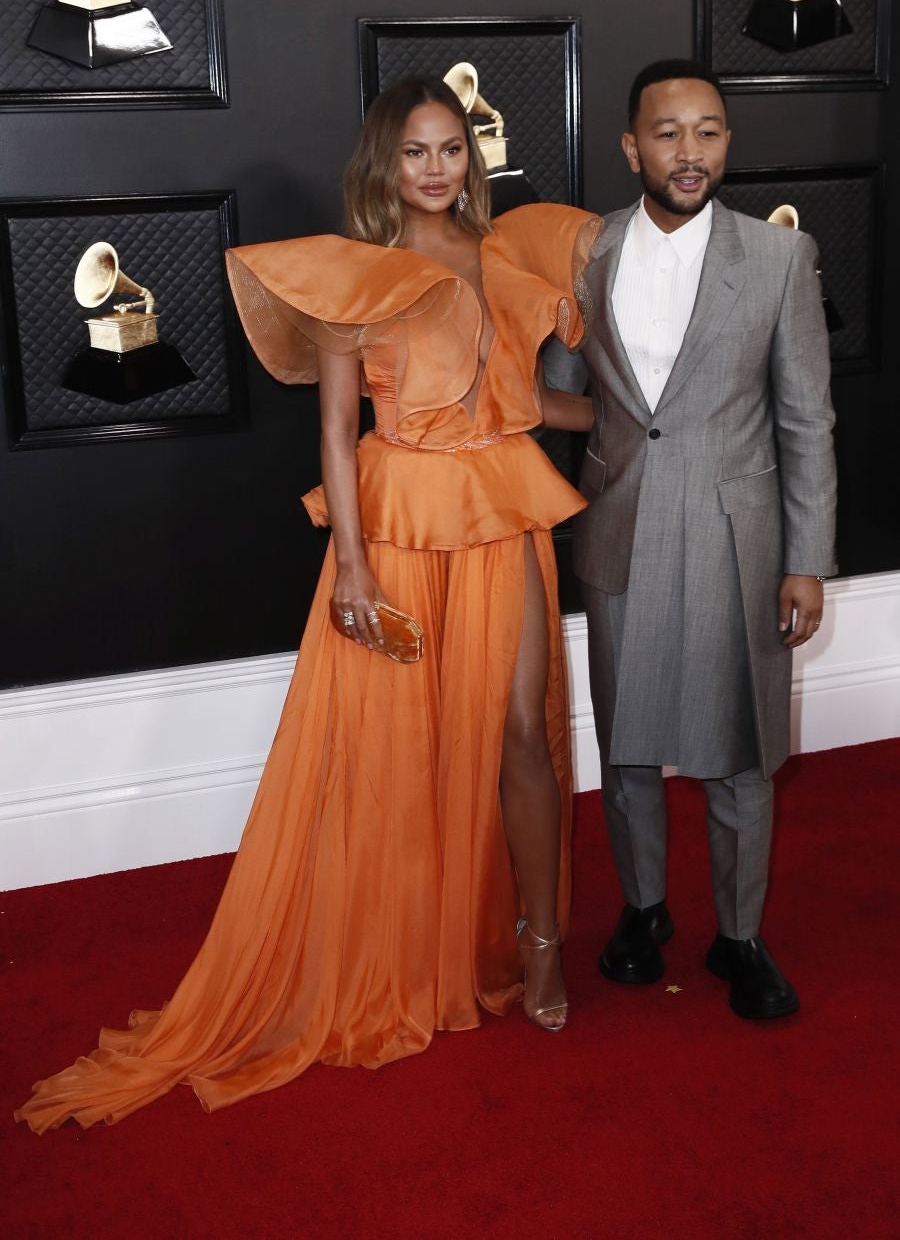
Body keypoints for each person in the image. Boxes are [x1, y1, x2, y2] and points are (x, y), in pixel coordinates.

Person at [16, 75, 599, 1132]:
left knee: (524, 732)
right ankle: (407, 951)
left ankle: (541, 939)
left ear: (471, 156)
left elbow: (524, 400)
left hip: (502, 510)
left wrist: (634, 417)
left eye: (451, 149)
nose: (436, 169)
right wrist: (357, 572)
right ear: (383, 164)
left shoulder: (508, 256)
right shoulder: (354, 277)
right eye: (415, 152)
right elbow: (335, 434)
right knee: (403, 744)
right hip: (400, 524)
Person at [572, 58, 837, 1019]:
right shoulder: (585, 251)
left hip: (741, 536)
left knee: (741, 748)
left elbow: (806, 418)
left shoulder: (776, 260)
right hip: (621, 522)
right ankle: (643, 911)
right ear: (631, 145)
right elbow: (569, 392)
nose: (691, 153)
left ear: (727, 142)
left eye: (710, 131)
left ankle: (739, 934)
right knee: (626, 743)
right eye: (670, 133)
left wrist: (806, 558)